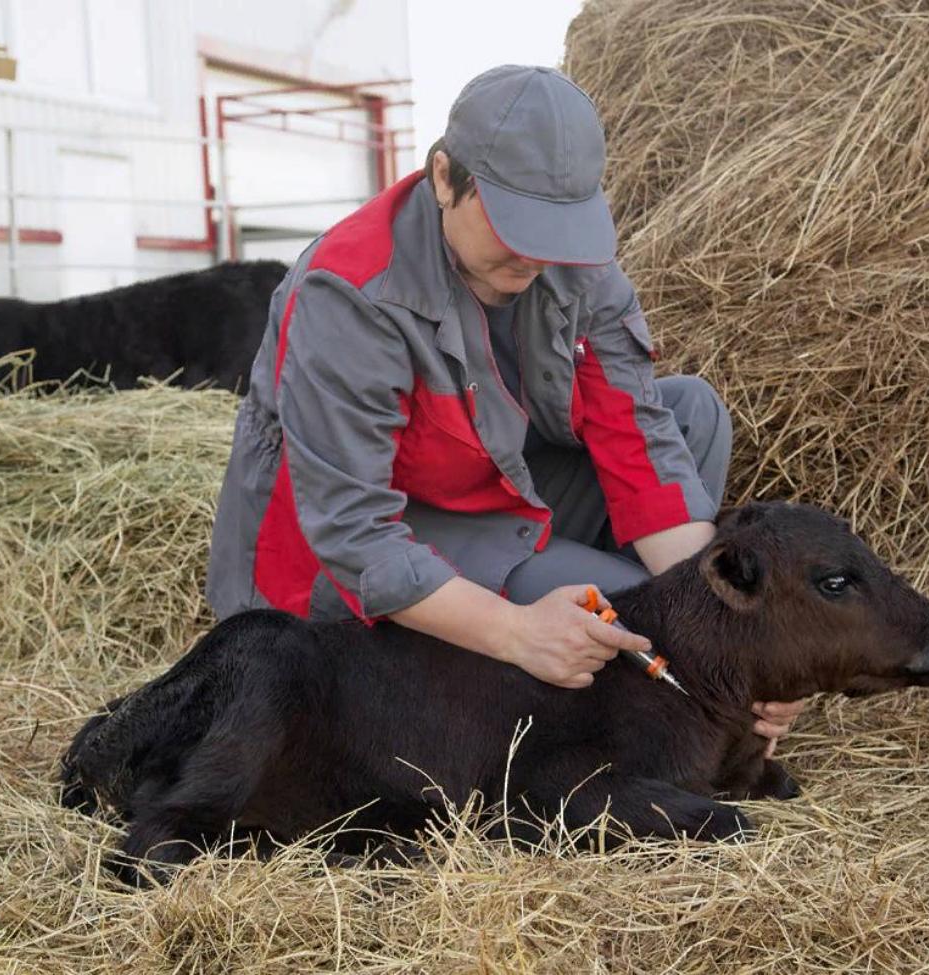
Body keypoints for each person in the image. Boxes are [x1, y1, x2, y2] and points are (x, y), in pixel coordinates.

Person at [207, 65, 805, 753]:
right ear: (443, 177)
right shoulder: (351, 290)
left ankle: (609, 660)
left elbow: (636, 433)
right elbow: (355, 534)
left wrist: (729, 633)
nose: (534, 254)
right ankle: (579, 671)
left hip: (492, 481)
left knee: (690, 412)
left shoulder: (570, 263)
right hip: (373, 536)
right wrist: (519, 633)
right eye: (514, 221)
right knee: (630, 620)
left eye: (558, 227)